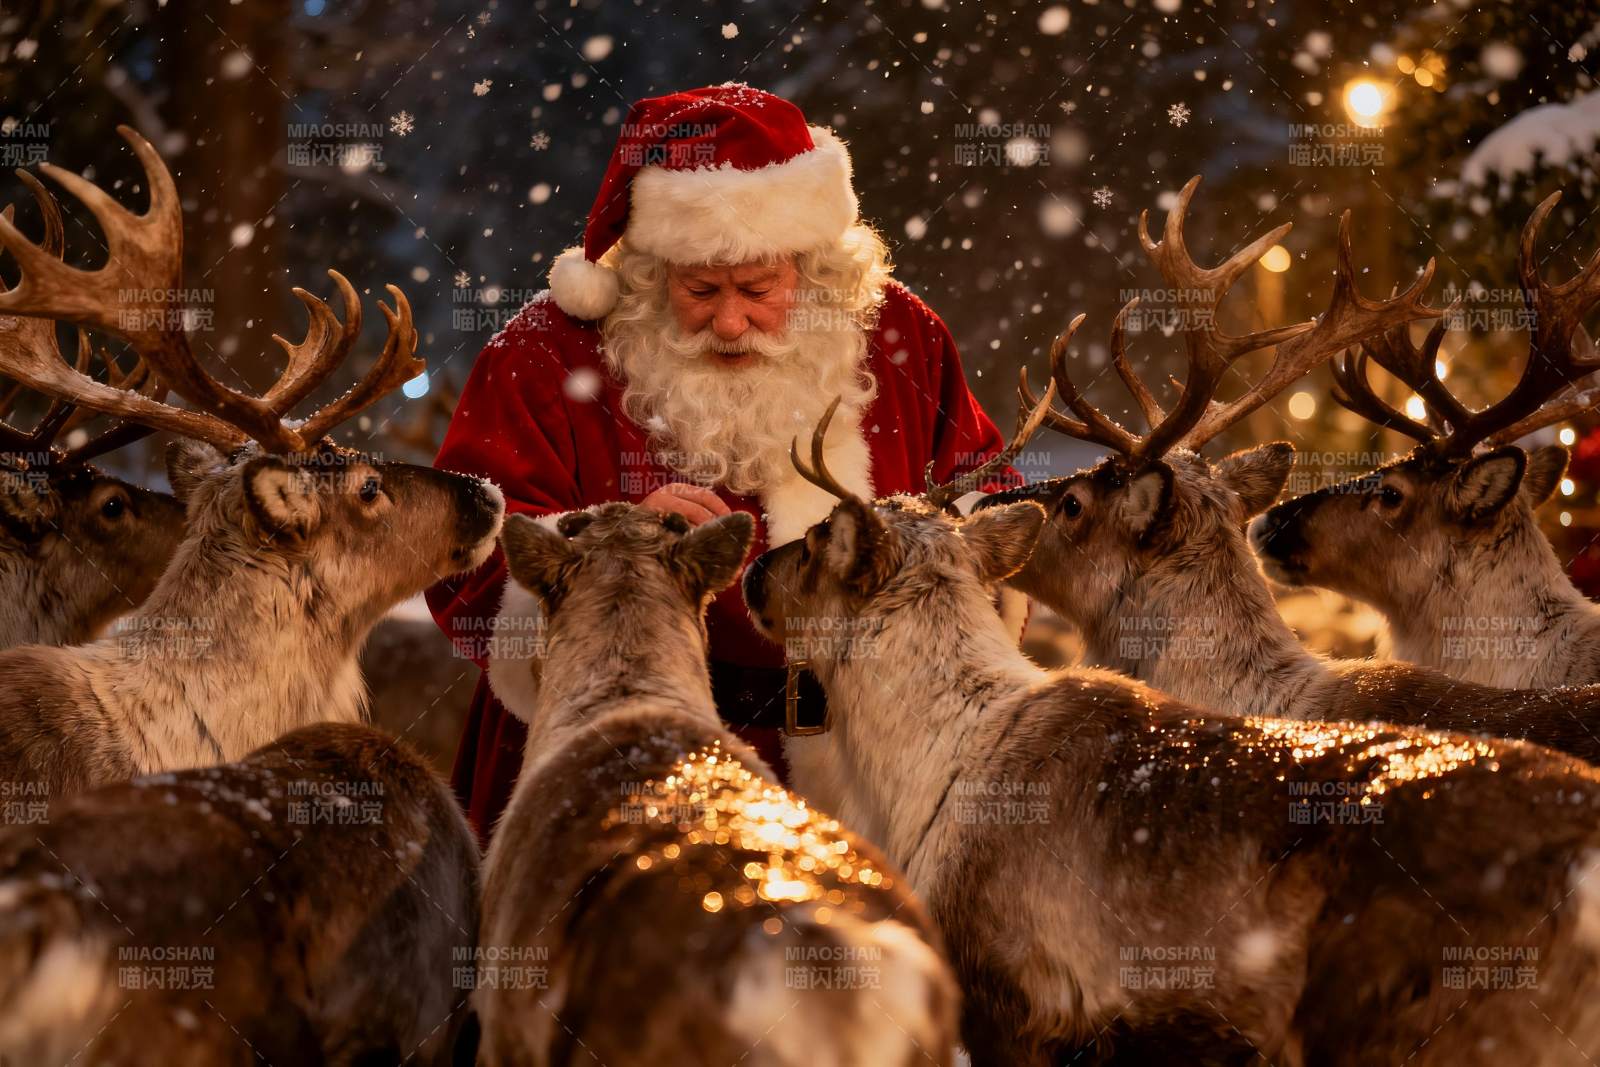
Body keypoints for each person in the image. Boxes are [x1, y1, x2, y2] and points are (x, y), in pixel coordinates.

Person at [427, 83, 1020, 839]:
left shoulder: (900, 332)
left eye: (759, 288)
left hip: (881, 767)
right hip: (613, 768)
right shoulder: (545, 354)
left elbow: (983, 494)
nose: (731, 322)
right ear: (650, 273)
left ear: (814, 267)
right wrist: (605, 547)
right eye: (700, 288)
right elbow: (459, 545)